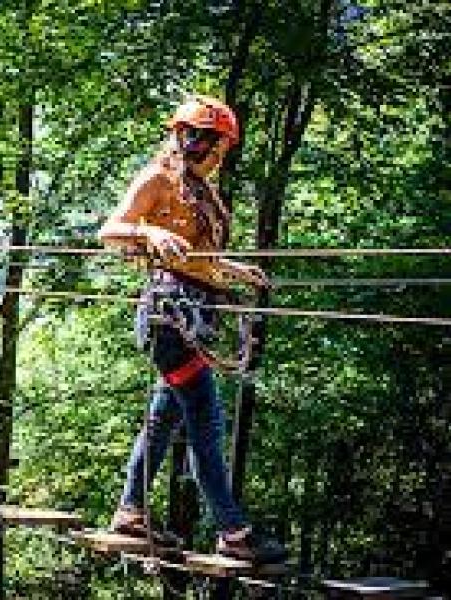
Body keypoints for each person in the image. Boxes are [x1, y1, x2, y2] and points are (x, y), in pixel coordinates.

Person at [98, 95, 287, 564]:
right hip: (170, 316)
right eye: (212, 143)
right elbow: (110, 229)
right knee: (206, 416)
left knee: (164, 418)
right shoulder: (158, 179)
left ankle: (131, 511)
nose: (216, 153)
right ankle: (233, 531)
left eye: (220, 145)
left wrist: (234, 270)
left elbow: (199, 258)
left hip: (197, 314)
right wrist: (148, 234)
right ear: (191, 140)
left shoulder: (203, 193)